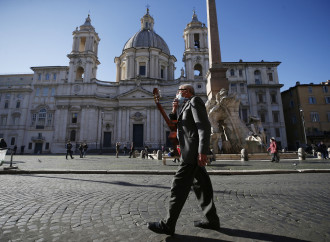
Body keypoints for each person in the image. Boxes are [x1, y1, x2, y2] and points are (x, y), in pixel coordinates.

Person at [147, 84, 220, 236]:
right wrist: (174, 110)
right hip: (190, 152)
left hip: (192, 153)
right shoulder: (186, 105)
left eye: (179, 91)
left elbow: (204, 126)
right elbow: (174, 125)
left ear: (186, 92)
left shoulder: (195, 101)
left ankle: (168, 225)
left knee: (178, 186)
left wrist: (202, 151)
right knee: (202, 187)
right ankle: (212, 220)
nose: (177, 93)